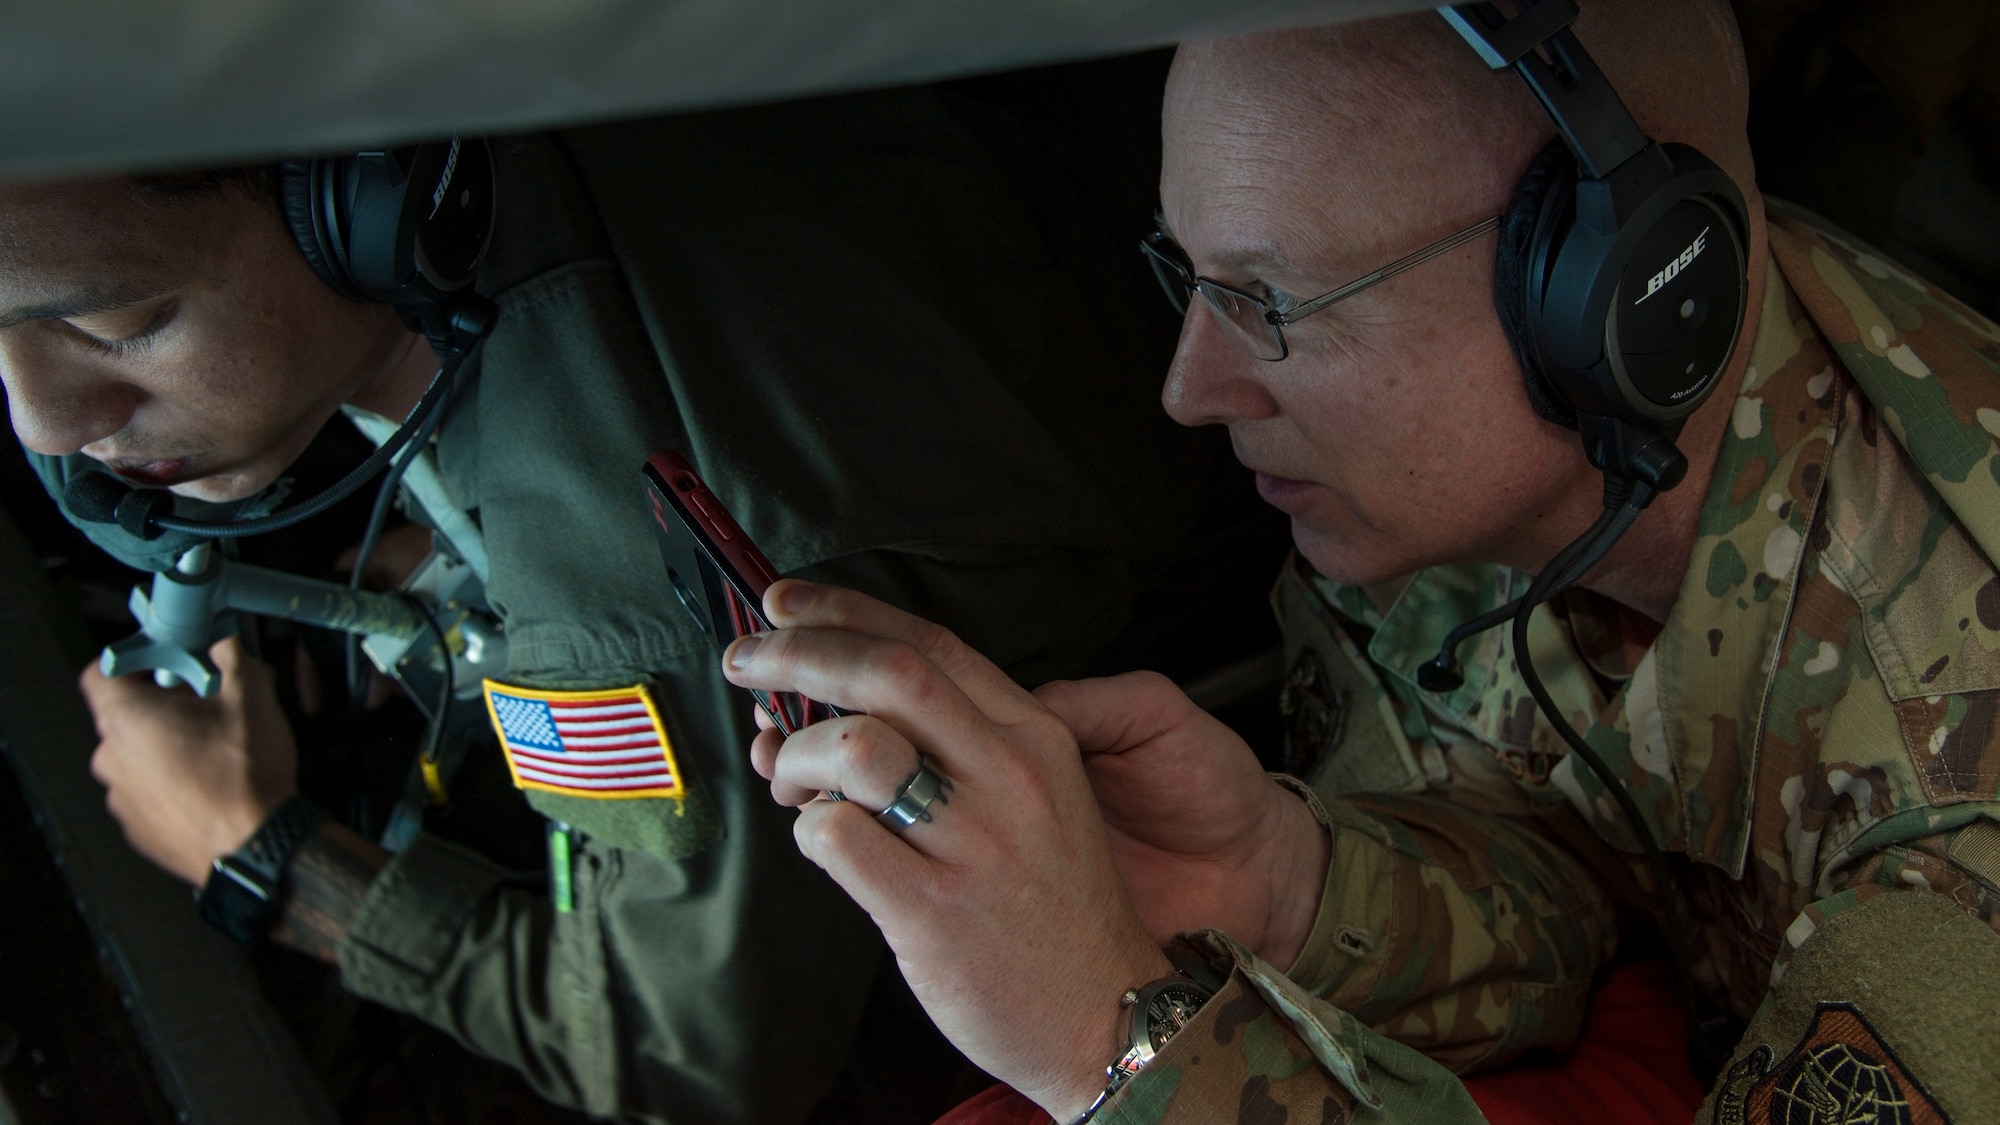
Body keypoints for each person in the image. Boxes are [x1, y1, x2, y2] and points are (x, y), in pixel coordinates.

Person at [715, 3, 2000, 1122]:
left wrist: (1123, 1046)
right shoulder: (1478, 486)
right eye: (1189, 277)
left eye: (1267, 305)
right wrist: (1287, 883)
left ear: (1621, 299)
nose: (1189, 390)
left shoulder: (1963, 817)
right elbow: (1577, 858)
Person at [0, 83, 1222, 1123]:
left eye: (117, 322)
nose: (44, 419)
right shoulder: (547, 113)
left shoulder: (641, 598)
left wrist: (257, 851)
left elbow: (702, 1048)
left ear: (356, 200)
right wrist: (439, 563)